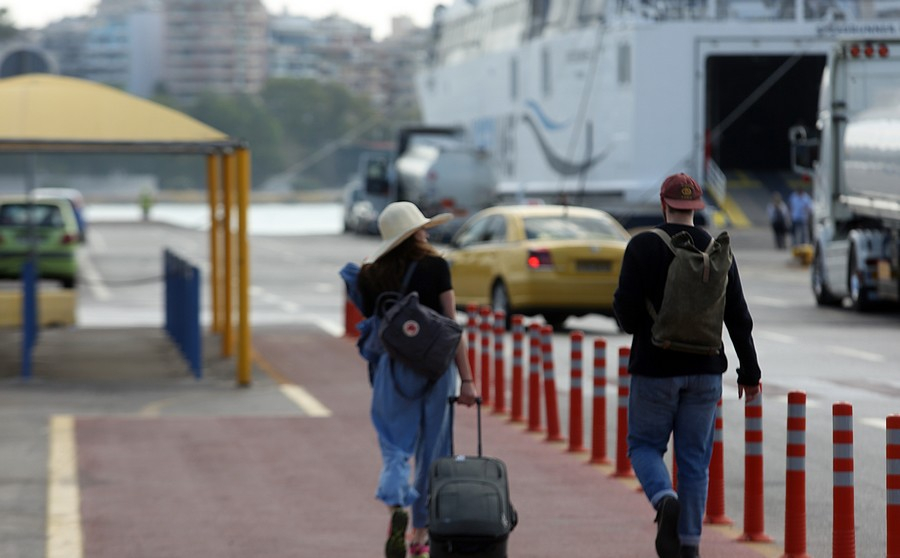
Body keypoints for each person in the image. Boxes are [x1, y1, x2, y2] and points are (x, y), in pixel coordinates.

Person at [613, 173, 762, 558]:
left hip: (655, 368)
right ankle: (690, 545)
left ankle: (665, 501)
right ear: (697, 208)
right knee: (695, 460)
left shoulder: (642, 246)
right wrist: (750, 373)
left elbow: (627, 317)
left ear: (664, 205)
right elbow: (738, 317)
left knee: (644, 446)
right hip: (706, 371)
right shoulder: (718, 251)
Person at [353, 201, 478, 558]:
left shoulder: (371, 273)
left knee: (395, 446)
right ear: (417, 231)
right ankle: (420, 535)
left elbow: (372, 325)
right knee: (433, 452)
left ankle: (396, 507)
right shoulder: (437, 266)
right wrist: (467, 380)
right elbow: (452, 327)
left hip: (392, 370)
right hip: (436, 370)